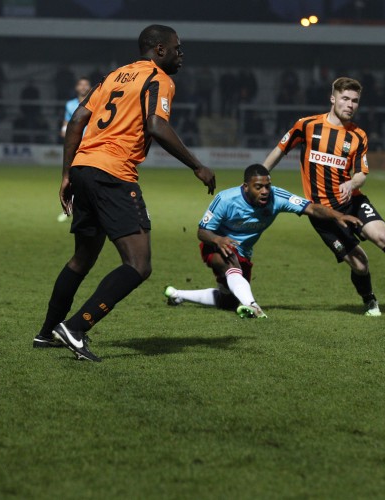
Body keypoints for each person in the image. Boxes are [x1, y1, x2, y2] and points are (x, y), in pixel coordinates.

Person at [34, 24, 216, 361]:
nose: (181, 54)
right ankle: (75, 328)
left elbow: (77, 120)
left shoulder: (114, 75)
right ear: (159, 50)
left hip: (84, 169)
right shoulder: (159, 78)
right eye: (177, 48)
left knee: (82, 259)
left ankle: (46, 333)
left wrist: (66, 174)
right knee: (138, 264)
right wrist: (196, 165)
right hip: (113, 174)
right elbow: (157, 125)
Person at [263, 77, 385, 316]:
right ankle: (369, 299)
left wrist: (351, 182)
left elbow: (361, 174)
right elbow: (280, 149)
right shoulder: (307, 125)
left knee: (381, 236)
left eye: (355, 101)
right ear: (333, 98)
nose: (350, 105)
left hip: (353, 202)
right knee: (361, 265)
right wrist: (260, 176)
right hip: (324, 215)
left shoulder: (358, 136)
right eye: (345, 99)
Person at [164, 164, 362, 318]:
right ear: (246, 187)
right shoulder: (225, 199)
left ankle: (178, 294)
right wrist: (217, 239)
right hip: (216, 245)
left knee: (228, 301)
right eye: (258, 187)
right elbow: (202, 231)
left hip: (245, 253)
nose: (265, 191)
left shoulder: (277, 197)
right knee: (228, 260)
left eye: (267, 186)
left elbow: (311, 208)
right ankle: (254, 307)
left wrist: (337, 215)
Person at [57, 76, 93, 222]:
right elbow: (66, 122)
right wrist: (64, 130)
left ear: (90, 88)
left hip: (91, 145)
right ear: (76, 88)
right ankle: (70, 206)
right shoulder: (70, 104)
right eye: (81, 85)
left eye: (86, 85)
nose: (83, 87)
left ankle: (87, 207)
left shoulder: (95, 103)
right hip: (75, 146)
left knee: (88, 178)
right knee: (73, 178)